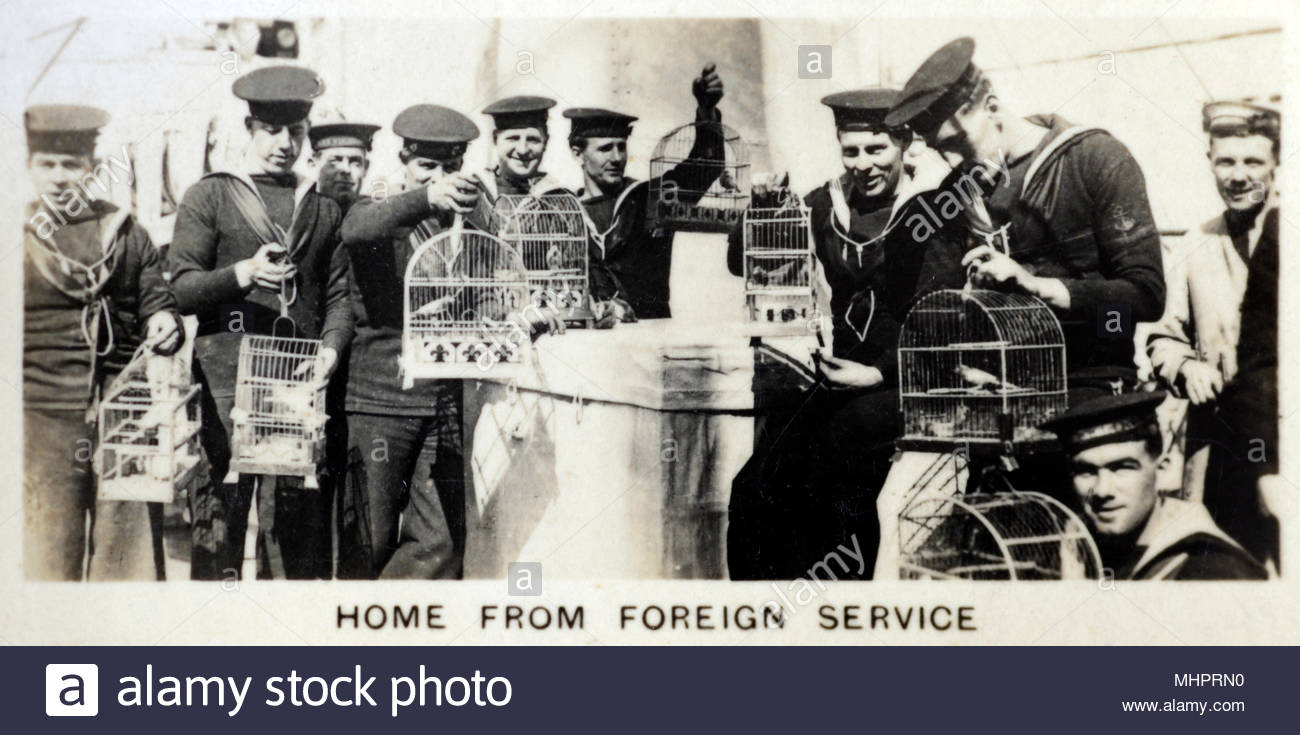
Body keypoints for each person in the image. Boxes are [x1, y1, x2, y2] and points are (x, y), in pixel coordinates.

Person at [726, 90, 969, 580]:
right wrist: (762, 208)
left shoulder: (931, 208)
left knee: (837, 464)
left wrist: (877, 372)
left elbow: (938, 317)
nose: (864, 164)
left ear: (905, 145)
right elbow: (741, 261)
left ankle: (838, 607)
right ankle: (763, 614)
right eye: (851, 151)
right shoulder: (826, 202)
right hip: (842, 377)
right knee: (756, 480)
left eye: (877, 149)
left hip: (912, 378)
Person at [336, 104, 563, 579]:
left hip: (443, 402)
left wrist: (526, 314)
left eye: (451, 167)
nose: (441, 177)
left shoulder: (471, 220)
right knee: (368, 542)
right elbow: (357, 230)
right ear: (404, 160)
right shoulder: (379, 205)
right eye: (427, 166)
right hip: (380, 401)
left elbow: (493, 288)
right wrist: (427, 196)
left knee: (440, 542)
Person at [886, 37, 1166, 387]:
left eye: (959, 144)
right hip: (991, 379)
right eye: (943, 150)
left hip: (1088, 378)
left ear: (992, 108)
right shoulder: (958, 190)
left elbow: (1146, 297)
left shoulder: (1094, 158)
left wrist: (1036, 286)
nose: (953, 163)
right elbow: (937, 307)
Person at [169, 66, 354, 580]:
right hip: (225, 387)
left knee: (290, 533)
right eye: (271, 130)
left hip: (295, 389)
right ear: (249, 128)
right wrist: (243, 272)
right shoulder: (210, 195)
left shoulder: (321, 207)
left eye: (295, 132)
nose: (284, 143)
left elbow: (340, 298)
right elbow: (181, 289)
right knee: (219, 523)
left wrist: (330, 352)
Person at [22, 104, 183, 580]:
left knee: (126, 556)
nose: (57, 177)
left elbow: (158, 300)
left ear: (91, 168)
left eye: (70, 165)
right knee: (47, 553)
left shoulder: (127, 232)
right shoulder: (19, 238)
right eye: (46, 165)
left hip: (124, 412)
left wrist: (164, 324)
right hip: (42, 416)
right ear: (30, 167)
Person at [1146, 100, 1279, 510]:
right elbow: (1163, 336)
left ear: (1277, 161)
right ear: (1209, 162)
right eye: (1225, 162)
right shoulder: (1195, 243)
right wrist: (1185, 367)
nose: (1238, 176)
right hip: (1217, 441)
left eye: (1253, 161)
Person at [1042, 389, 1267, 580]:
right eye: (1086, 472)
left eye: (1122, 467)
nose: (1102, 490)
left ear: (1163, 469)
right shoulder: (1073, 554)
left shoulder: (1210, 570)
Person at [562, 62, 728, 320]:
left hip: (648, 341)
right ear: (577, 153)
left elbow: (705, 168)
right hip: (589, 345)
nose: (617, 158)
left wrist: (706, 111)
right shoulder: (565, 213)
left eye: (621, 147)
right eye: (605, 149)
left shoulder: (647, 198)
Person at [477, 95, 568, 198]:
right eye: (513, 138)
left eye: (533, 140)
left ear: (546, 142)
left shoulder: (560, 197)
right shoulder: (474, 192)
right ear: (495, 139)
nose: (522, 150)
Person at [308, 121, 381, 212]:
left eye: (355, 162)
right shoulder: (300, 212)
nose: (346, 169)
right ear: (313, 164)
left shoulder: (376, 213)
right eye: (334, 161)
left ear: (366, 168)